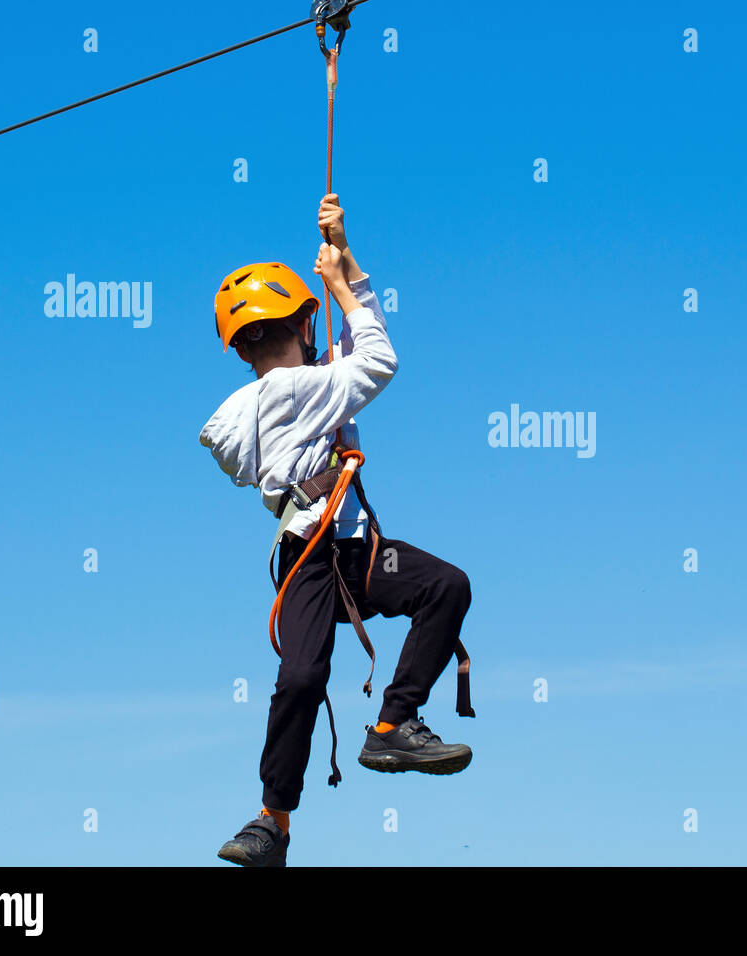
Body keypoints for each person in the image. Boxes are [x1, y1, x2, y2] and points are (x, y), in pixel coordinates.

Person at [199, 194, 475, 867]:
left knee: (304, 675)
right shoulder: (296, 391)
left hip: (334, 555)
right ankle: (377, 734)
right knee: (443, 589)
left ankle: (295, 804)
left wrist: (346, 259)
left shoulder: (272, 397)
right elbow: (375, 359)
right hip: (322, 560)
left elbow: (351, 353)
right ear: (301, 323)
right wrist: (340, 285)